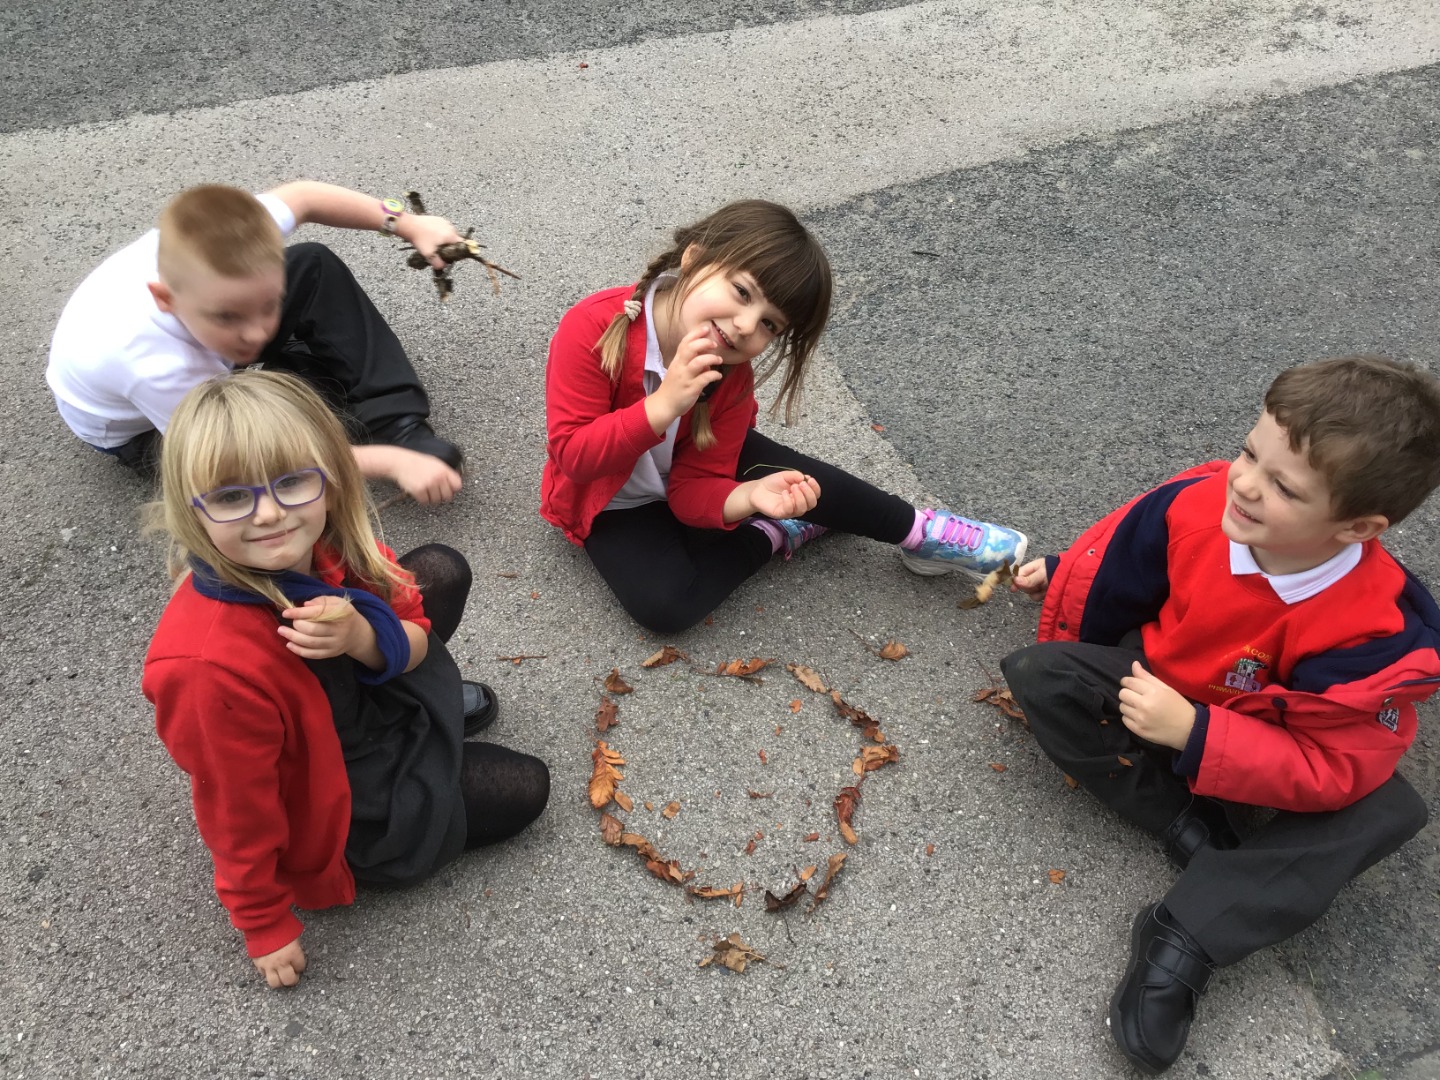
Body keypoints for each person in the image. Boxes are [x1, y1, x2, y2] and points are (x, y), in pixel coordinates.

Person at [1000, 355, 1440, 1074]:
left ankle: (1187, 932)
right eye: (1249, 452)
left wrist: (1197, 733)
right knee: (1040, 675)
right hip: (1163, 690)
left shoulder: (1368, 634)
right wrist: (1066, 567)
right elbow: (1121, 567)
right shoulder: (1200, 507)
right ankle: (1187, 822)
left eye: (1284, 487)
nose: (1245, 482)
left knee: (1390, 810)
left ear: (1357, 526)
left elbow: (1334, 766)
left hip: (1269, 741)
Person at [142, 370, 550, 988]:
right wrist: (262, 922)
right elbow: (235, 808)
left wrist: (362, 638)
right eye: (230, 497)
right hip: (335, 785)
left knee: (440, 568)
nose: (270, 514)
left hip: (349, 697)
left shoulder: (329, 542)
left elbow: (415, 631)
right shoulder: (206, 670)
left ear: (330, 480)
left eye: (291, 482)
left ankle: (427, 723)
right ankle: (415, 769)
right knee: (526, 786)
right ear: (190, 510)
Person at [541, 198, 1028, 633]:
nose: (745, 326)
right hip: (613, 499)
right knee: (666, 606)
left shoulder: (731, 370)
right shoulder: (595, 326)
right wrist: (665, 404)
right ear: (694, 258)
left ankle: (922, 532)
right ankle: (777, 532)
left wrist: (748, 495)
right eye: (742, 292)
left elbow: (695, 487)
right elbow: (574, 456)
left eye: (769, 324)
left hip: (693, 465)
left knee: (803, 481)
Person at [48, 181, 469, 504]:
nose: (257, 332)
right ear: (165, 299)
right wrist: (390, 464)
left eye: (269, 306)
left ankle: (396, 424)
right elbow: (239, 453)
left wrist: (410, 224)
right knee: (249, 473)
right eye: (228, 316)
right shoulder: (153, 364)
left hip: (198, 341)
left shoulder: (214, 256)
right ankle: (311, 393)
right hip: (145, 431)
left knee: (312, 263)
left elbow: (305, 196)